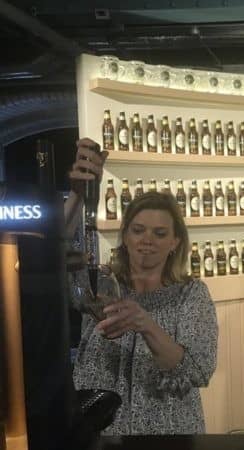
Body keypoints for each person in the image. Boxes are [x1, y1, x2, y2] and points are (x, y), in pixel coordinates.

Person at [66, 138, 218, 434]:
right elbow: (53, 250)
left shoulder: (191, 294)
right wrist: (77, 195)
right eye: (138, 230)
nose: (147, 239)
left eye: (160, 233)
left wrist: (145, 324)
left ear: (175, 242)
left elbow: (198, 371)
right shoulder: (101, 283)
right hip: (98, 430)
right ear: (126, 236)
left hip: (168, 434)